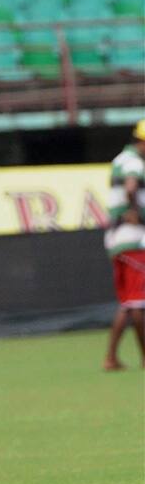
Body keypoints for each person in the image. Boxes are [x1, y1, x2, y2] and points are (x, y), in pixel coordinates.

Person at [103, 119, 145, 370]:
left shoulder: (120, 159)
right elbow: (131, 186)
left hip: (117, 240)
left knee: (128, 303)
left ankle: (111, 358)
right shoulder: (134, 163)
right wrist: (134, 211)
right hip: (133, 239)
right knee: (139, 303)